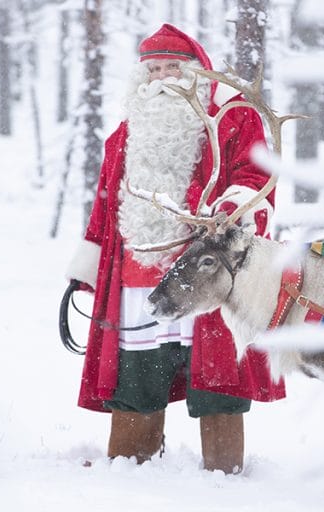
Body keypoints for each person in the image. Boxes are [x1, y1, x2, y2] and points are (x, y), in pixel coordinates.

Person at [64, 24, 285, 474]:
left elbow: (256, 177)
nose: (162, 77)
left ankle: (224, 480)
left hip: (206, 279)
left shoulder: (233, 118)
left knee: (217, 382)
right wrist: (86, 268)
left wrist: (231, 209)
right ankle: (131, 472)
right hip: (135, 279)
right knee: (137, 379)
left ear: (196, 73)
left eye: (173, 68)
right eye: (154, 69)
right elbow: (106, 205)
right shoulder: (125, 134)